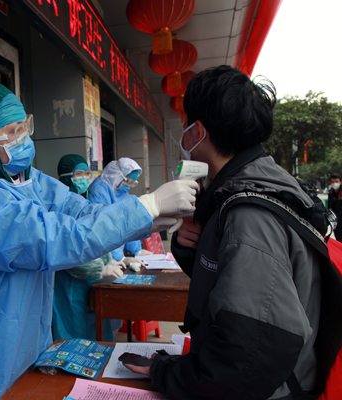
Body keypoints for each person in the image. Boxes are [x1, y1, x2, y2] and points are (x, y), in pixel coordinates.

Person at [0, 80, 197, 400]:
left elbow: (81, 210)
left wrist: (149, 221)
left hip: (30, 345)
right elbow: (63, 238)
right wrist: (148, 206)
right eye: (12, 131)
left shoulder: (25, 181)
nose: (24, 137)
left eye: (25, 126)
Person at [124, 66, 323, 399]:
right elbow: (239, 289)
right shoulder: (247, 190)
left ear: (197, 132)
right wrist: (195, 249)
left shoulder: (250, 214)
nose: (183, 134)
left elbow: (248, 356)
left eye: (186, 124)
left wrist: (167, 372)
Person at [53, 154, 127, 341]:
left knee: (96, 333)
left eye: (87, 173)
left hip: (91, 283)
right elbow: (67, 252)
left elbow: (96, 237)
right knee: (74, 334)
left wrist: (112, 260)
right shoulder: (59, 208)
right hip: (69, 285)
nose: (85, 177)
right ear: (65, 176)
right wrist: (100, 269)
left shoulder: (84, 203)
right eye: (80, 173)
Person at [88, 158, 145, 261]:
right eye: (128, 181)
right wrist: (118, 257)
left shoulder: (120, 192)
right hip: (104, 255)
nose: (129, 186)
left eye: (133, 182)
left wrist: (137, 250)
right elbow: (104, 227)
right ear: (116, 176)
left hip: (117, 252)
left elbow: (128, 222)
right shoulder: (99, 192)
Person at [328, 174, 342, 238]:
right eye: (332, 182)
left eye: (336, 181)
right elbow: (330, 207)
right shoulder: (331, 193)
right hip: (336, 221)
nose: (334, 183)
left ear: (340, 182)